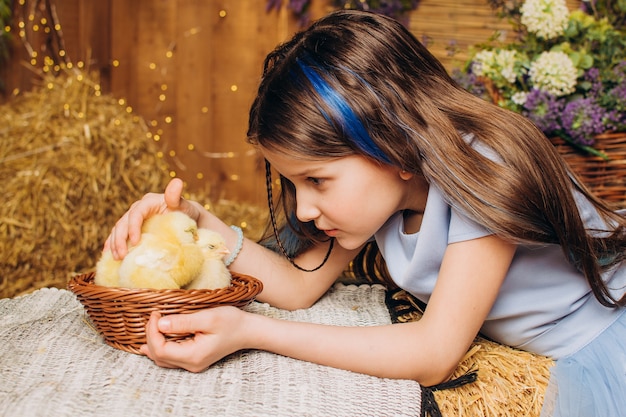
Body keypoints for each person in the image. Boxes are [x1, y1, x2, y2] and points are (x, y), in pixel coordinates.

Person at [104, 10, 626, 417]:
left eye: (317, 180)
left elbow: (434, 354)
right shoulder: (377, 200)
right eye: (293, 183)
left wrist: (250, 334)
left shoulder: (482, 164)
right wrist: (195, 223)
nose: (305, 208)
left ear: (391, 142)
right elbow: (298, 287)